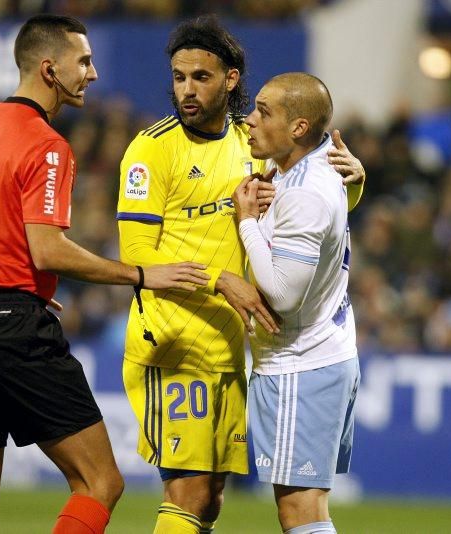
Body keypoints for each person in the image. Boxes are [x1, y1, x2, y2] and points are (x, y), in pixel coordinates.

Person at [0, 15, 209, 534]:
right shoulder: (46, 144)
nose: (92, 74)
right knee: (100, 483)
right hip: (12, 331)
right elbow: (48, 251)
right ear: (50, 69)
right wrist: (142, 274)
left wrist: (8, 274)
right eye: (84, 61)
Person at [115, 15, 364, 534]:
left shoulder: (251, 145)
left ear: (230, 80)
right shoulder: (151, 149)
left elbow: (306, 215)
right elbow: (137, 255)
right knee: (186, 490)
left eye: (200, 77)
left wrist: (355, 184)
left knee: (208, 499)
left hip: (233, 341)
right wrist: (222, 281)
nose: (186, 88)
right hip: (176, 338)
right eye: (179, 76)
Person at [232, 73, 359, 534]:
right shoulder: (317, 167)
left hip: (300, 365)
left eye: (264, 111)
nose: (250, 119)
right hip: (323, 355)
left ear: (299, 127)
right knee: (307, 508)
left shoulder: (305, 192)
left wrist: (246, 222)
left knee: (300, 511)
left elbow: (282, 295)